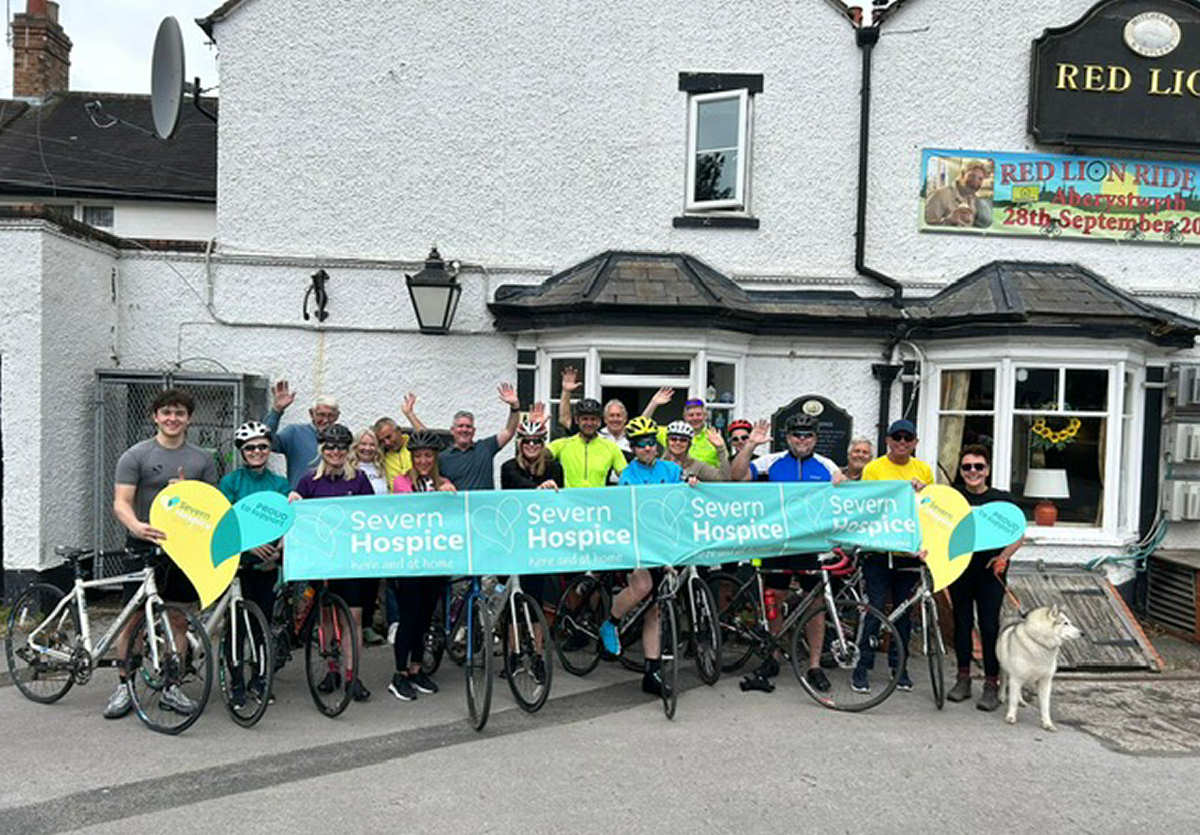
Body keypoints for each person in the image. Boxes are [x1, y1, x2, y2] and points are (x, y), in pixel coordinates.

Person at [107, 387, 218, 720]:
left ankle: (172, 686)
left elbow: (210, 507)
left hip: (183, 549)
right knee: (133, 620)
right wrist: (136, 526)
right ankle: (124, 685)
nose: (173, 418)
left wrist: (188, 494)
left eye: (179, 413)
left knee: (178, 619)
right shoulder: (136, 456)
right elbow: (121, 502)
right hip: (143, 547)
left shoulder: (202, 459)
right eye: (166, 412)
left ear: (189, 419)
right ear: (155, 416)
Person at [730, 414, 842, 693]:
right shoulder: (771, 462)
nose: (802, 440)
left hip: (811, 543)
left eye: (807, 435)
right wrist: (750, 445)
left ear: (815, 438)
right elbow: (737, 476)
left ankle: (814, 665)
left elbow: (846, 494)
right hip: (778, 542)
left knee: (815, 603)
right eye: (796, 435)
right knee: (774, 598)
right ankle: (773, 656)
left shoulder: (826, 465)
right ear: (788, 437)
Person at [602, 416, 697, 697]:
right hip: (639, 542)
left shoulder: (671, 469)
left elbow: (685, 495)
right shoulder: (628, 476)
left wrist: (692, 483)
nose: (647, 448)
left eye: (651, 443)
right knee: (643, 586)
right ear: (632, 448)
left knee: (655, 610)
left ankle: (651, 672)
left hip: (666, 542)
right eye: (641, 444)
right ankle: (611, 622)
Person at [288, 423, 375, 702]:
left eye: (340, 447)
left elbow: (371, 517)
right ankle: (331, 670)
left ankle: (352, 675)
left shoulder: (359, 480)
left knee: (353, 619)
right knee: (325, 618)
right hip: (321, 559)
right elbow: (297, 518)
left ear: (348, 450)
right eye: (330, 447)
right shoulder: (309, 481)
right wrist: (293, 500)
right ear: (322, 450)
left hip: (350, 560)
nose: (335, 452)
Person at [852, 418, 935, 695]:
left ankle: (899, 668)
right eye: (896, 437)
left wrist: (923, 492)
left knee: (903, 613)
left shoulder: (923, 470)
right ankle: (862, 666)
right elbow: (869, 506)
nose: (902, 442)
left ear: (915, 443)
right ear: (887, 440)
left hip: (907, 552)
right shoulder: (874, 468)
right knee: (874, 609)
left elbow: (929, 509)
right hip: (878, 551)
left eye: (907, 438)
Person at [217, 420, 290, 707]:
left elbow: (288, 520)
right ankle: (236, 682)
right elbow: (224, 521)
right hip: (238, 566)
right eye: (250, 448)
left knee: (262, 626)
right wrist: (248, 544)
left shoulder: (279, 484)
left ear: (269, 449)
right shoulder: (231, 482)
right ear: (242, 452)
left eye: (262, 446)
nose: (257, 452)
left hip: (267, 566)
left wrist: (279, 548)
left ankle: (259, 680)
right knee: (236, 628)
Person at [948, 444, 1023, 712]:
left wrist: (1003, 557)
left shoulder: (1001, 499)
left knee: (989, 626)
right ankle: (963, 679)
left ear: (987, 470)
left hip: (990, 572)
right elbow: (935, 521)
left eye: (978, 466)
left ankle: (991, 683)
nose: (973, 471)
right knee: (962, 624)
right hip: (960, 570)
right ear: (961, 470)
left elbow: (1018, 534)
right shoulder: (953, 496)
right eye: (967, 467)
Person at [387, 430, 457, 702]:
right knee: (409, 618)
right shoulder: (402, 481)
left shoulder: (444, 482)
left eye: (428, 456)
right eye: (418, 456)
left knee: (426, 618)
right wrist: (439, 494)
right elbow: (411, 506)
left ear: (435, 458)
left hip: (435, 561)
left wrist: (450, 493)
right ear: (412, 458)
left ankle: (416, 669)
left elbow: (451, 515)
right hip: (409, 561)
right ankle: (399, 674)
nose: (423, 461)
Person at [498, 413, 563, 685]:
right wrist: (540, 487)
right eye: (527, 441)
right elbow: (515, 486)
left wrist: (550, 487)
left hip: (540, 539)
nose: (532, 446)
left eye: (537, 441)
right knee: (514, 598)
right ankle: (513, 655)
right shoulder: (509, 467)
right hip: (514, 537)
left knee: (535, 598)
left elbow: (560, 495)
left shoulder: (554, 467)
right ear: (520, 444)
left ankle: (536, 656)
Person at [406, 383, 522, 491]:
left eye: (468, 426)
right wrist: (410, 414)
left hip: (484, 505)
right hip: (457, 506)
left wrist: (515, 407)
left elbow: (508, 431)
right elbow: (426, 436)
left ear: (474, 431)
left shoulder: (485, 448)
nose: (464, 430)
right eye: (460, 426)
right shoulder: (443, 456)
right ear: (452, 430)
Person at [264, 379, 340, 489]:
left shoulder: (342, 439)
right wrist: (276, 411)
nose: (325, 420)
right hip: (300, 496)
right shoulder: (294, 433)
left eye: (330, 415)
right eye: (321, 415)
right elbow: (266, 441)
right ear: (311, 414)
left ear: (337, 416)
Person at [349, 427, 387, 645]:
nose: (367, 448)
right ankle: (351, 626)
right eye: (363, 444)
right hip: (355, 531)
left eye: (372, 444)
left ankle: (367, 625)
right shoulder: (349, 467)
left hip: (377, 531)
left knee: (372, 581)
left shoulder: (382, 468)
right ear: (356, 446)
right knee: (356, 580)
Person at [547, 397, 627, 488]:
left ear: (599, 421)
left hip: (598, 496)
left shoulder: (611, 447)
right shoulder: (563, 444)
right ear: (577, 420)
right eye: (585, 419)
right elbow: (539, 455)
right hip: (570, 496)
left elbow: (627, 477)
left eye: (593, 419)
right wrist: (537, 432)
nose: (589, 423)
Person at [556, 365, 632, 457]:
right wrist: (566, 391)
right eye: (611, 415)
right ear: (605, 419)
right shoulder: (594, 433)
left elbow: (643, 419)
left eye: (618, 415)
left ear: (625, 418)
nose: (615, 419)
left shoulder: (632, 435)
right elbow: (565, 419)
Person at [642, 387, 721, 467]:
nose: (695, 418)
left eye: (698, 414)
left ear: (705, 416)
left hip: (706, 474)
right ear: (684, 417)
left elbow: (723, 465)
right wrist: (653, 403)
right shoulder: (672, 432)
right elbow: (642, 426)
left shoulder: (713, 437)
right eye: (691, 415)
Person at [924, 159, 992, 229]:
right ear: (962, 174)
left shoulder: (973, 200)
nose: (975, 182)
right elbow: (925, 228)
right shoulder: (940, 195)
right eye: (972, 176)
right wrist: (948, 221)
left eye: (980, 179)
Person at [374, 392, 424, 487]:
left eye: (389, 437)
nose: (387, 443)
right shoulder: (382, 455)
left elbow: (426, 436)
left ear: (399, 431)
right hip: (395, 496)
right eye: (382, 441)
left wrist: (409, 414)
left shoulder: (414, 443)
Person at [661, 420, 730, 481]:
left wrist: (721, 449)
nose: (678, 443)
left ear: (689, 444)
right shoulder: (658, 464)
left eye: (683, 440)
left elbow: (724, 478)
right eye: (673, 439)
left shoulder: (697, 466)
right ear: (667, 442)